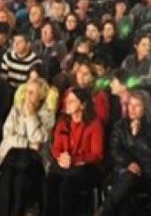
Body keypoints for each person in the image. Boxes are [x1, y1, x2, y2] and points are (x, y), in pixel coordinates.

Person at [0, 77, 56, 216]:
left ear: (41, 96)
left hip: (35, 161)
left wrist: (31, 116)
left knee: (20, 176)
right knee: (9, 172)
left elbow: (40, 139)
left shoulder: (48, 114)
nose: (27, 96)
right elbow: (7, 136)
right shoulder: (16, 109)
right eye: (27, 91)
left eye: (32, 92)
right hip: (12, 156)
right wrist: (27, 144)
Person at [45, 87, 104, 216]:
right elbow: (55, 147)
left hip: (86, 167)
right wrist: (61, 157)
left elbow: (97, 154)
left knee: (68, 184)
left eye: (72, 101)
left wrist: (75, 159)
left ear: (82, 105)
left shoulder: (94, 124)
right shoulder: (62, 122)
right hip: (64, 164)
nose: (67, 103)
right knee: (51, 181)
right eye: (67, 100)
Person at [99, 90, 151, 215]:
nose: (131, 109)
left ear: (145, 108)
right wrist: (129, 162)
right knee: (124, 182)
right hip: (121, 171)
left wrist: (137, 137)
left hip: (144, 174)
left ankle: (102, 212)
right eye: (130, 104)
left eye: (136, 105)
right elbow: (115, 150)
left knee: (129, 179)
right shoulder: (120, 125)